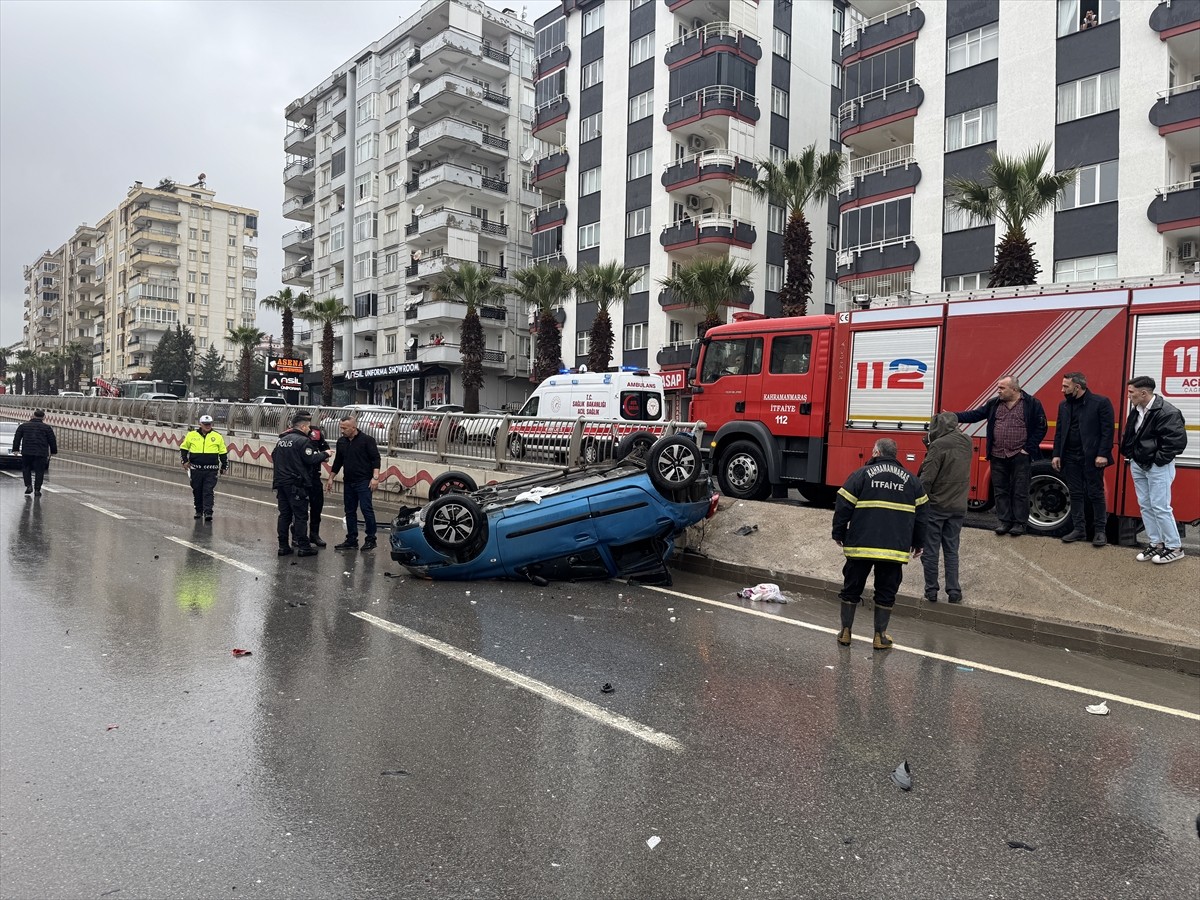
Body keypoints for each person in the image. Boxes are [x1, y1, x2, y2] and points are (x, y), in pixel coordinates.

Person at [831, 438, 928, 649]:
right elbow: (922, 516)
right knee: (886, 592)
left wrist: (838, 532)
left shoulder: (860, 475)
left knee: (851, 588)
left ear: (876, 451)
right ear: (895, 455)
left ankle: (846, 632)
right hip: (893, 549)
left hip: (861, 545)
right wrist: (919, 543)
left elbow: (843, 506)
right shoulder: (912, 481)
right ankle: (880, 636)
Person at [954, 375, 1047, 537]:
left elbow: (1041, 428)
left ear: (1015, 389)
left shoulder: (1032, 404)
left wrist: (1027, 449)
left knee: (1020, 491)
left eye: (1002, 388)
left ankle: (1019, 524)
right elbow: (975, 415)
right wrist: (955, 416)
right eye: (998, 388)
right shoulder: (994, 404)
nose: (999, 391)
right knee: (1000, 490)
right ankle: (1004, 521)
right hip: (997, 454)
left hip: (1020, 455)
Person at [1121, 376, 1188, 564]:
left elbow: (1176, 442)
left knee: (1160, 506)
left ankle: (1174, 547)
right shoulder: (1137, 409)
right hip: (1138, 464)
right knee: (1146, 505)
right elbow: (1132, 434)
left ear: (1144, 393)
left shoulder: (1167, 412)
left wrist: (1157, 461)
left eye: (1131, 392)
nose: (1129, 396)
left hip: (1157, 466)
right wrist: (1131, 454)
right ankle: (1156, 543)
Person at [1052, 372, 1115, 546]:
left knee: (1095, 493)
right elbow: (1059, 432)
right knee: (1075, 493)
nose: (1062, 389)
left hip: (1092, 458)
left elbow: (1107, 431)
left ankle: (1100, 532)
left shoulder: (1100, 403)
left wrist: (1102, 454)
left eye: (1066, 386)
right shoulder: (1063, 406)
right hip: (1070, 457)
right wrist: (1057, 454)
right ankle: (1079, 529)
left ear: (1077, 387)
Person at [918, 412, 972, 604]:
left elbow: (927, 478)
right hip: (958, 506)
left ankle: (931, 591)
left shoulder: (938, 445)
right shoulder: (967, 441)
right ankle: (954, 591)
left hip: (936, 505)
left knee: (931, 550)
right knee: (951, 550)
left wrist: (919, 501)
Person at [273, 412, 329, 557]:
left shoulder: (282, 440)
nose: (310, 429)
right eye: (308, 427)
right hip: (296, 484)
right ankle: (304, 546)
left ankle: (283, 546)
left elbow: (274, 456)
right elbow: (310, 459)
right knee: (300, 516)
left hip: (281, 483)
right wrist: (325, 454)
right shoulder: (303, 441)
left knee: (284, 515)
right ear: (303, 426)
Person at [327, 414, 382, 552]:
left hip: (364, 481)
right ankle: (351, 539)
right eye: (341, 428)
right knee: (349, 511)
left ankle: (371, 539)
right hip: (349, 481)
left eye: (345, 428)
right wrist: (331, 477)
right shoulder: (341, 442)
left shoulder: (367, 440)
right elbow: (338, 461)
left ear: (353, 427)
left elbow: (375, 459)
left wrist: (375, 478)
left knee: (366, 509)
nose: (342, 431)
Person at [179, 414, 228, 521]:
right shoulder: (191, 435)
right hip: (196, 469)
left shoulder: (217, 436)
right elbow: (183, 448)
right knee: (197, 490)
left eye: (209, 424)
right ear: (200, 424)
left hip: (211, 470)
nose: (207, 426)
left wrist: (224, 466)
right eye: (205, 424)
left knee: (208, 490)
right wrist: (184, 461)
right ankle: (199, 510)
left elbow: (223, 453)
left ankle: (208, 512)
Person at [13, 409, 57, 497]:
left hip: (27, 452)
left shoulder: (23, 426)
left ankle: (29, 486)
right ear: (44, 417)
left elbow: (17, 438)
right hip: (41, 453)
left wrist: (15, 449)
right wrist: (53, 452)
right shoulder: (47, 428)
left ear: (33, 416)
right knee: (39, 471)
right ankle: (37, 490)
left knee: (26, 469)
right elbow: (52, 440)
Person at [307, 424, 331, 547]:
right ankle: (297, 535)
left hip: (315, 475)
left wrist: (322, 455)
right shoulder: (292, 435)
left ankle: (314, 535)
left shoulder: (316, 434)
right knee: (299, 509)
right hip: (300, 476)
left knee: (317, 506)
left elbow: (326, 451)